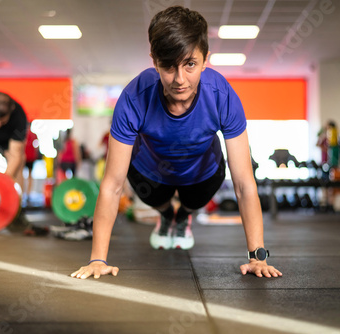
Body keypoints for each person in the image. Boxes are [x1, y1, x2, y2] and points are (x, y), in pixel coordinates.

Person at [71, 6, 282, 279]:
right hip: (151, 172)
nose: (180, 79)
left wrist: (257, 256)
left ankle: (182, 216)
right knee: (153, 195)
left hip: (204, 172)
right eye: (169, 66)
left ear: (206, 59)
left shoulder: (222, 95)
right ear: (154, 61)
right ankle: (167, 215)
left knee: (194, 199)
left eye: (190, 64)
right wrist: (97, 260)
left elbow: (243, 182)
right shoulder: (134, 98)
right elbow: (112, 184)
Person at [23, 124, 38, 206]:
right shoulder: (33, 134)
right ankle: (28, 193)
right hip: (31, 157)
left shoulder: (23, 133)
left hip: (25, 156)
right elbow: (36, 146)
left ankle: (24, 193)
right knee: (29, 176)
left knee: (23, 176)